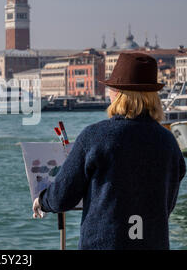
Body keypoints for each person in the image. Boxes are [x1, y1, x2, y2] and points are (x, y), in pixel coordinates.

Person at [33, 52, 186, 250]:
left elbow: (62, 197)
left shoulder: (95, 136)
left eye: (111, 88)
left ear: (118, 94)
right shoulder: (169, 142)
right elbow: (168, 204)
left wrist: (42, 201)